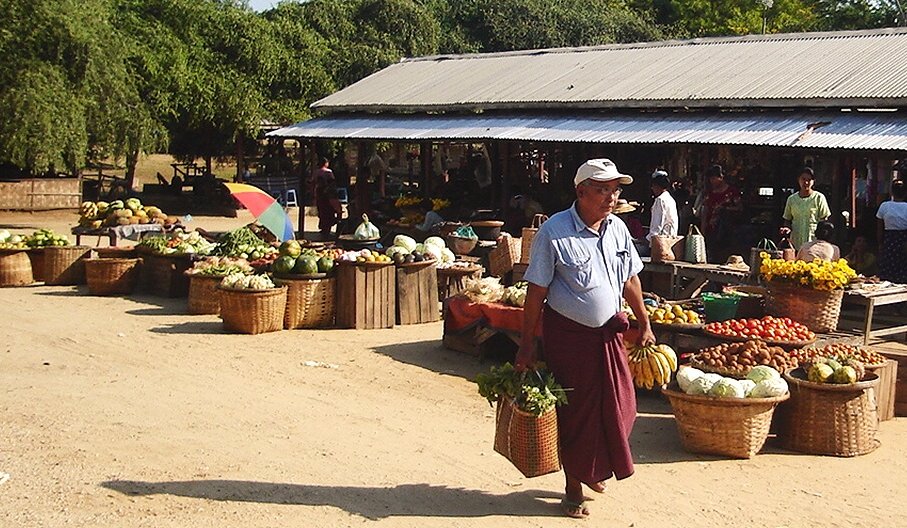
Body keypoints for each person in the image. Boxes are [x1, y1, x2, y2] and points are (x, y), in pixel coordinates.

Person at [516, 158, 654, 520]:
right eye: (603, 189)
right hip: (570, 339)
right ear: (581, 191)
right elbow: (536, 292)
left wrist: (645, 322)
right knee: (575, 415)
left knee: (622, 408)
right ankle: (573, 487)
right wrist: (526, 344)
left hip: (609, 337)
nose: (611, 196)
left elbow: (631, 280)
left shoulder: (619, 229)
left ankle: (593, 468)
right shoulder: (554, 231)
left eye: (615, 189)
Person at [700, 164, 741, 261]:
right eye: (710, 179)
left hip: (726, 231)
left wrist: (724, 209)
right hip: (711, 229)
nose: (712, 181)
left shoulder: (731, 192)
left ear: (721, 177)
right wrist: (703, 228)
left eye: (714, 178)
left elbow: (739, 208)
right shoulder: (710, 193)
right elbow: (705, 210)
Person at [783, 167, 831, 249]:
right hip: (795, 243)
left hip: (813, 243)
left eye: (809, 180)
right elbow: (787, 219)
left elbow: (825, 220)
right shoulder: (791, 199)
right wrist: (786, 229)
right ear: (798, 180)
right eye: (803, 179)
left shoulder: (819, 198)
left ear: (813, 181)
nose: (806, 182)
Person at [877, 180, 907, 283]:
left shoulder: (885, 206)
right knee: (902, 265)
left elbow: (879, 227)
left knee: (888, 265)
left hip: (890, 239)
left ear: (892, 192)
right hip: (903, 239)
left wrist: (880, 243)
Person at [646, 170, 678, 242]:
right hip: (671, 239)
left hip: (661, 241)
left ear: (657, 186)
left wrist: (647, 239)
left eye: (653, 186)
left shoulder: (660, 200)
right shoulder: (669, 199)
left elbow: (657, 227)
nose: (652, 188)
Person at [313, 157, 341, 238]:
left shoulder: (316, 172)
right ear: (326, 163)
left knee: (322, 213)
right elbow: (332, 183)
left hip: (320, 195)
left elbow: (313, 182)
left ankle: (324, 229)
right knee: (328, 213)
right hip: (327, 196)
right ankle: (327, 229)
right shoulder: (329, 172)